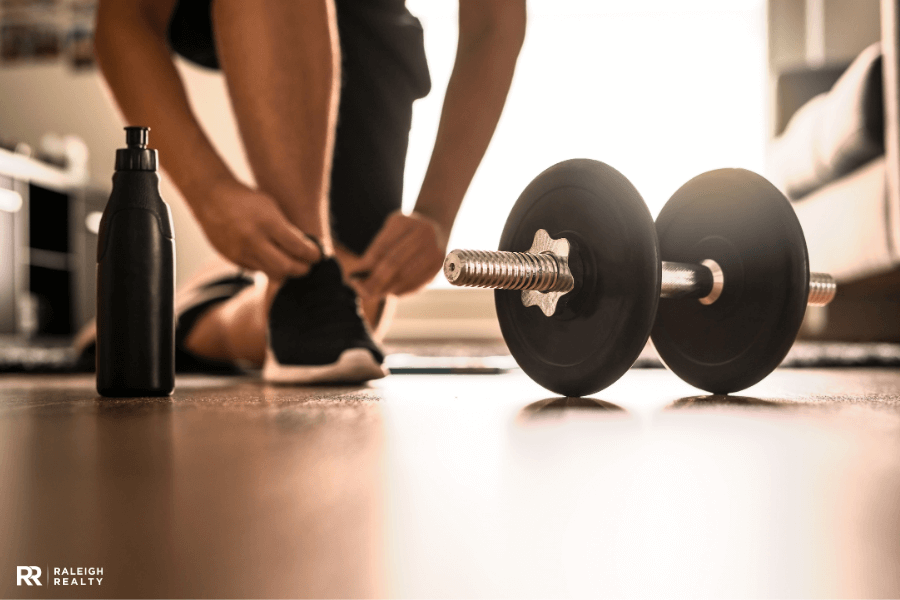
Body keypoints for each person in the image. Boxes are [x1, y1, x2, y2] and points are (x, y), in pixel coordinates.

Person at [89, 0, 525, 383]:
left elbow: (493, 22)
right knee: (316, 317)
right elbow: (125, 18)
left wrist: (436, 213)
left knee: (358, 300)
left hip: (368, 19)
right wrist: (210, 193)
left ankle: (190, 310)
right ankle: (302, 276)